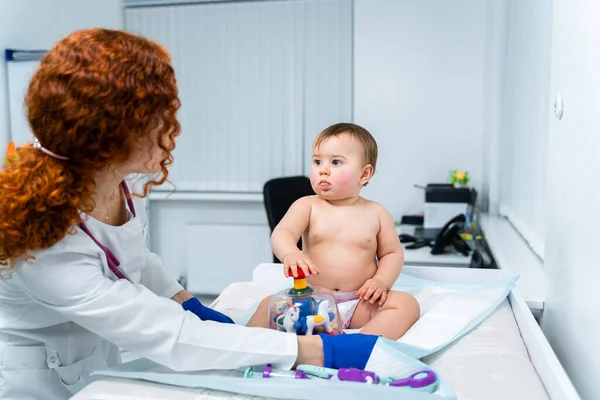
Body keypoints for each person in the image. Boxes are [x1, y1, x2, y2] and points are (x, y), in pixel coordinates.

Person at [0, 29, 378, 400]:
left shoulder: (120, 181)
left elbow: (133, 260)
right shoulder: (45, 242)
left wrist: (187, 302)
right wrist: (317, 352)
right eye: (158, 118)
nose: (171, 130)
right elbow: (172, 337)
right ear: (109, 134)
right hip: (33, 373)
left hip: (93, 351)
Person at [247, 123, 420, 340]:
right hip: (311, 302)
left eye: (336, 162)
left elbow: (392, 254)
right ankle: (245, 347)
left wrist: (381, 282)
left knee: (406, 304)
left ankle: (355, 346)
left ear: (364, 174)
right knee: (267, 306)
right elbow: (283, 233)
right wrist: (290, 253)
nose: (323, 169)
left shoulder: (376, 212)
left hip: (360, 303)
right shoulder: (307, 206)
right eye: (317, 161)